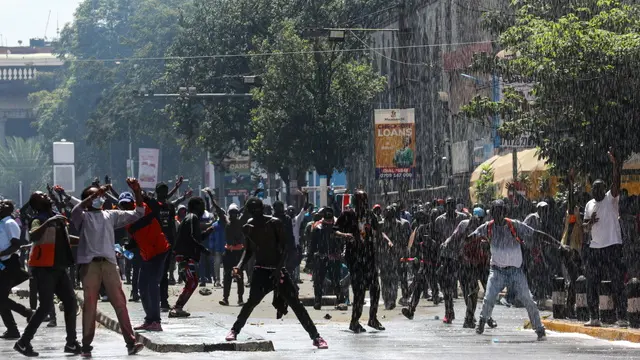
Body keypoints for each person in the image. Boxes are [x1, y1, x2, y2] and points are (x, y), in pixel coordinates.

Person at [224, 197, 328, 349]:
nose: (254, 213)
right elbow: (249, 251)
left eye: (256, 210)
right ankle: (234, 330)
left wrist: (279, 269)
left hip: (277, 269)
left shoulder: (274, 223)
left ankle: (316, 337)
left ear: (262, 209)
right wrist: (239, 266)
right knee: (251, 302)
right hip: (261, 270)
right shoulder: (249, 227)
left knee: (296, 304)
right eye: (251, 210)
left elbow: (284, 249)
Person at [469, 200, 566, 340]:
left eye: (500, 211)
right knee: (489, 298)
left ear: (504, 212)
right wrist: (464, 240)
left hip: (515, 271)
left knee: (528, 300)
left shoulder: (514, 225)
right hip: (497, 271)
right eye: (495, 211)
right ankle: (482, 322)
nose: (497, 214)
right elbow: (472, 236)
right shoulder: (487, 227)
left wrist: (559, 245)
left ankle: (539, 329)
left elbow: (537, 234)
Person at [71, 179, 145, 357]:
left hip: (109, 263)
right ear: (87, 200)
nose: (99, 198)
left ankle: (131, 342)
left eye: (100, 195)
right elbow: (76, 210)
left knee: (120, 303)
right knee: (90, 305)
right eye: (95, 196)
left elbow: (138, 212)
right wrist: (96, 193)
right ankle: (86, 345)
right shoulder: (82, 216)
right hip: (90, 264)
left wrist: (137, 191)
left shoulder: (110, 215)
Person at [14, 192, 81, 357]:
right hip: (44, 268)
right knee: (44, 307)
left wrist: (85, 239)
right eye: (42, 196)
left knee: (71, 303)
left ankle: (71, 343)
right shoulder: (38, 218)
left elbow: (65, 238)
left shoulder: (55, 217)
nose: (46, 196)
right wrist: (49, 221)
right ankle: (23, 342)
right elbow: (34, 234)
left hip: (58, 267)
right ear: (37, 204)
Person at [583, 148, 628, 327]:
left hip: (612, 245)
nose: (596, 191)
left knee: (617, 281)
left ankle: (622, 317)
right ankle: (594, 317)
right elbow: (585, 228)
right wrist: (590, 222)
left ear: (604, 189)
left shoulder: (611, 199)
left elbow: (616, 182)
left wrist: (616, 165)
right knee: (591, 283)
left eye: (599, 188)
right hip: (595, 247)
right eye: (594, 188)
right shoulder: (589, 204)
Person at [335, 190, 386, 333]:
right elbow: (334, 230)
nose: (363, 204)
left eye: (365, 201)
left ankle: (372, 319)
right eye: (360, 201)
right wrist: (345, 235)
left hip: (369, 258)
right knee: (359, 291)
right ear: (355, 202)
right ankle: (354, 321)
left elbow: (379, 231)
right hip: (355, 259)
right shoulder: (347, 215)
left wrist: (383, 241)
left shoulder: (370, 216)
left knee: (375, 289)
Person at [119, 191, 171, 331]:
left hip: (159, 250)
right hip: (147, 254)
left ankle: (156, 321)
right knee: (142, 286)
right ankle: (149, 319)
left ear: (134, 202)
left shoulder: (145, 208)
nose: (127, 207)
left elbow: (156, 206)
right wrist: (127, 247)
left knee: (153, 284)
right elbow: (136, 238)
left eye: (129, 204)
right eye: (123, 205)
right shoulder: (127, 221)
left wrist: (139, 192)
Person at [169, 197, 212, 318]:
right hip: (186, 256)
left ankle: (178, 307)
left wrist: (207, 233)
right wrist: (203, 250)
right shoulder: (192, 217)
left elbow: (195, 238)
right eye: (202, 205)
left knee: (191, 281)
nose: (203, 208)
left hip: (185, 255)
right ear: (196, 206)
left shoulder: (191, 218)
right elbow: (191, 238)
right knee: (192, 281)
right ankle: (177, 307)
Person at [205, 189, 247, 306]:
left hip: (238, 253)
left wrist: (253, 196)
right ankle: (225, 298)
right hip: (228, 252)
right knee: (227, 276)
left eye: (235, 213)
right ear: (229, 213)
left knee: (239, 276)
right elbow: (218, 209)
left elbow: (247, 207)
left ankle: (240, 298)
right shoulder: (226, 221)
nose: (233, 215)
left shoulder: (240, 222)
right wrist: (210, 195)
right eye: (231, 213)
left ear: (237, 213)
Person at [0, 200, 32, 340]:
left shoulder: (9, 223)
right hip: (2, 263)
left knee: (0, 298)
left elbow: (15, 245)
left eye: (4, 204)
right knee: (1, 299)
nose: (0, 205)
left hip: (9, 264)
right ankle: (12, 329)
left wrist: (1, 254)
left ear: (10, 209)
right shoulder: (2, 223)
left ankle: (27, 313)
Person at [310, 207, 345, 310]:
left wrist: (341, 253)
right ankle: (317, 301)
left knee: (336, 280)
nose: (329, 222)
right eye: (327, 219)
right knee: (318, 281)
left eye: (330, 219)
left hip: (334, 258)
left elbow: (342, 242)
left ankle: (340, 301)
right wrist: (310, 259)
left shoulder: (337, 227)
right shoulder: (317, 227)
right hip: (321, 258)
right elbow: (312, 245)